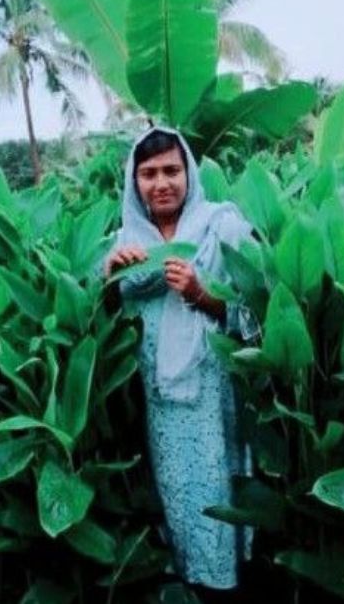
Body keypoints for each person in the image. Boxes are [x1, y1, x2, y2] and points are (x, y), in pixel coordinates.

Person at [103, 127, 257, 595]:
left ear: (189, 173)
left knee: (218, 490)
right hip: (160, 399)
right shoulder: (123, 241)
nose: (161, 182)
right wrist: (112, 278)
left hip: (214, 392)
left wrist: (200, 294)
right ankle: (189, 582)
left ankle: (227, 586)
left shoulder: (222, 227)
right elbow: (101, 328)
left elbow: (259, 312)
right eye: (148, 173)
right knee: (177, 497)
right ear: (134, 182)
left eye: (172, 170)